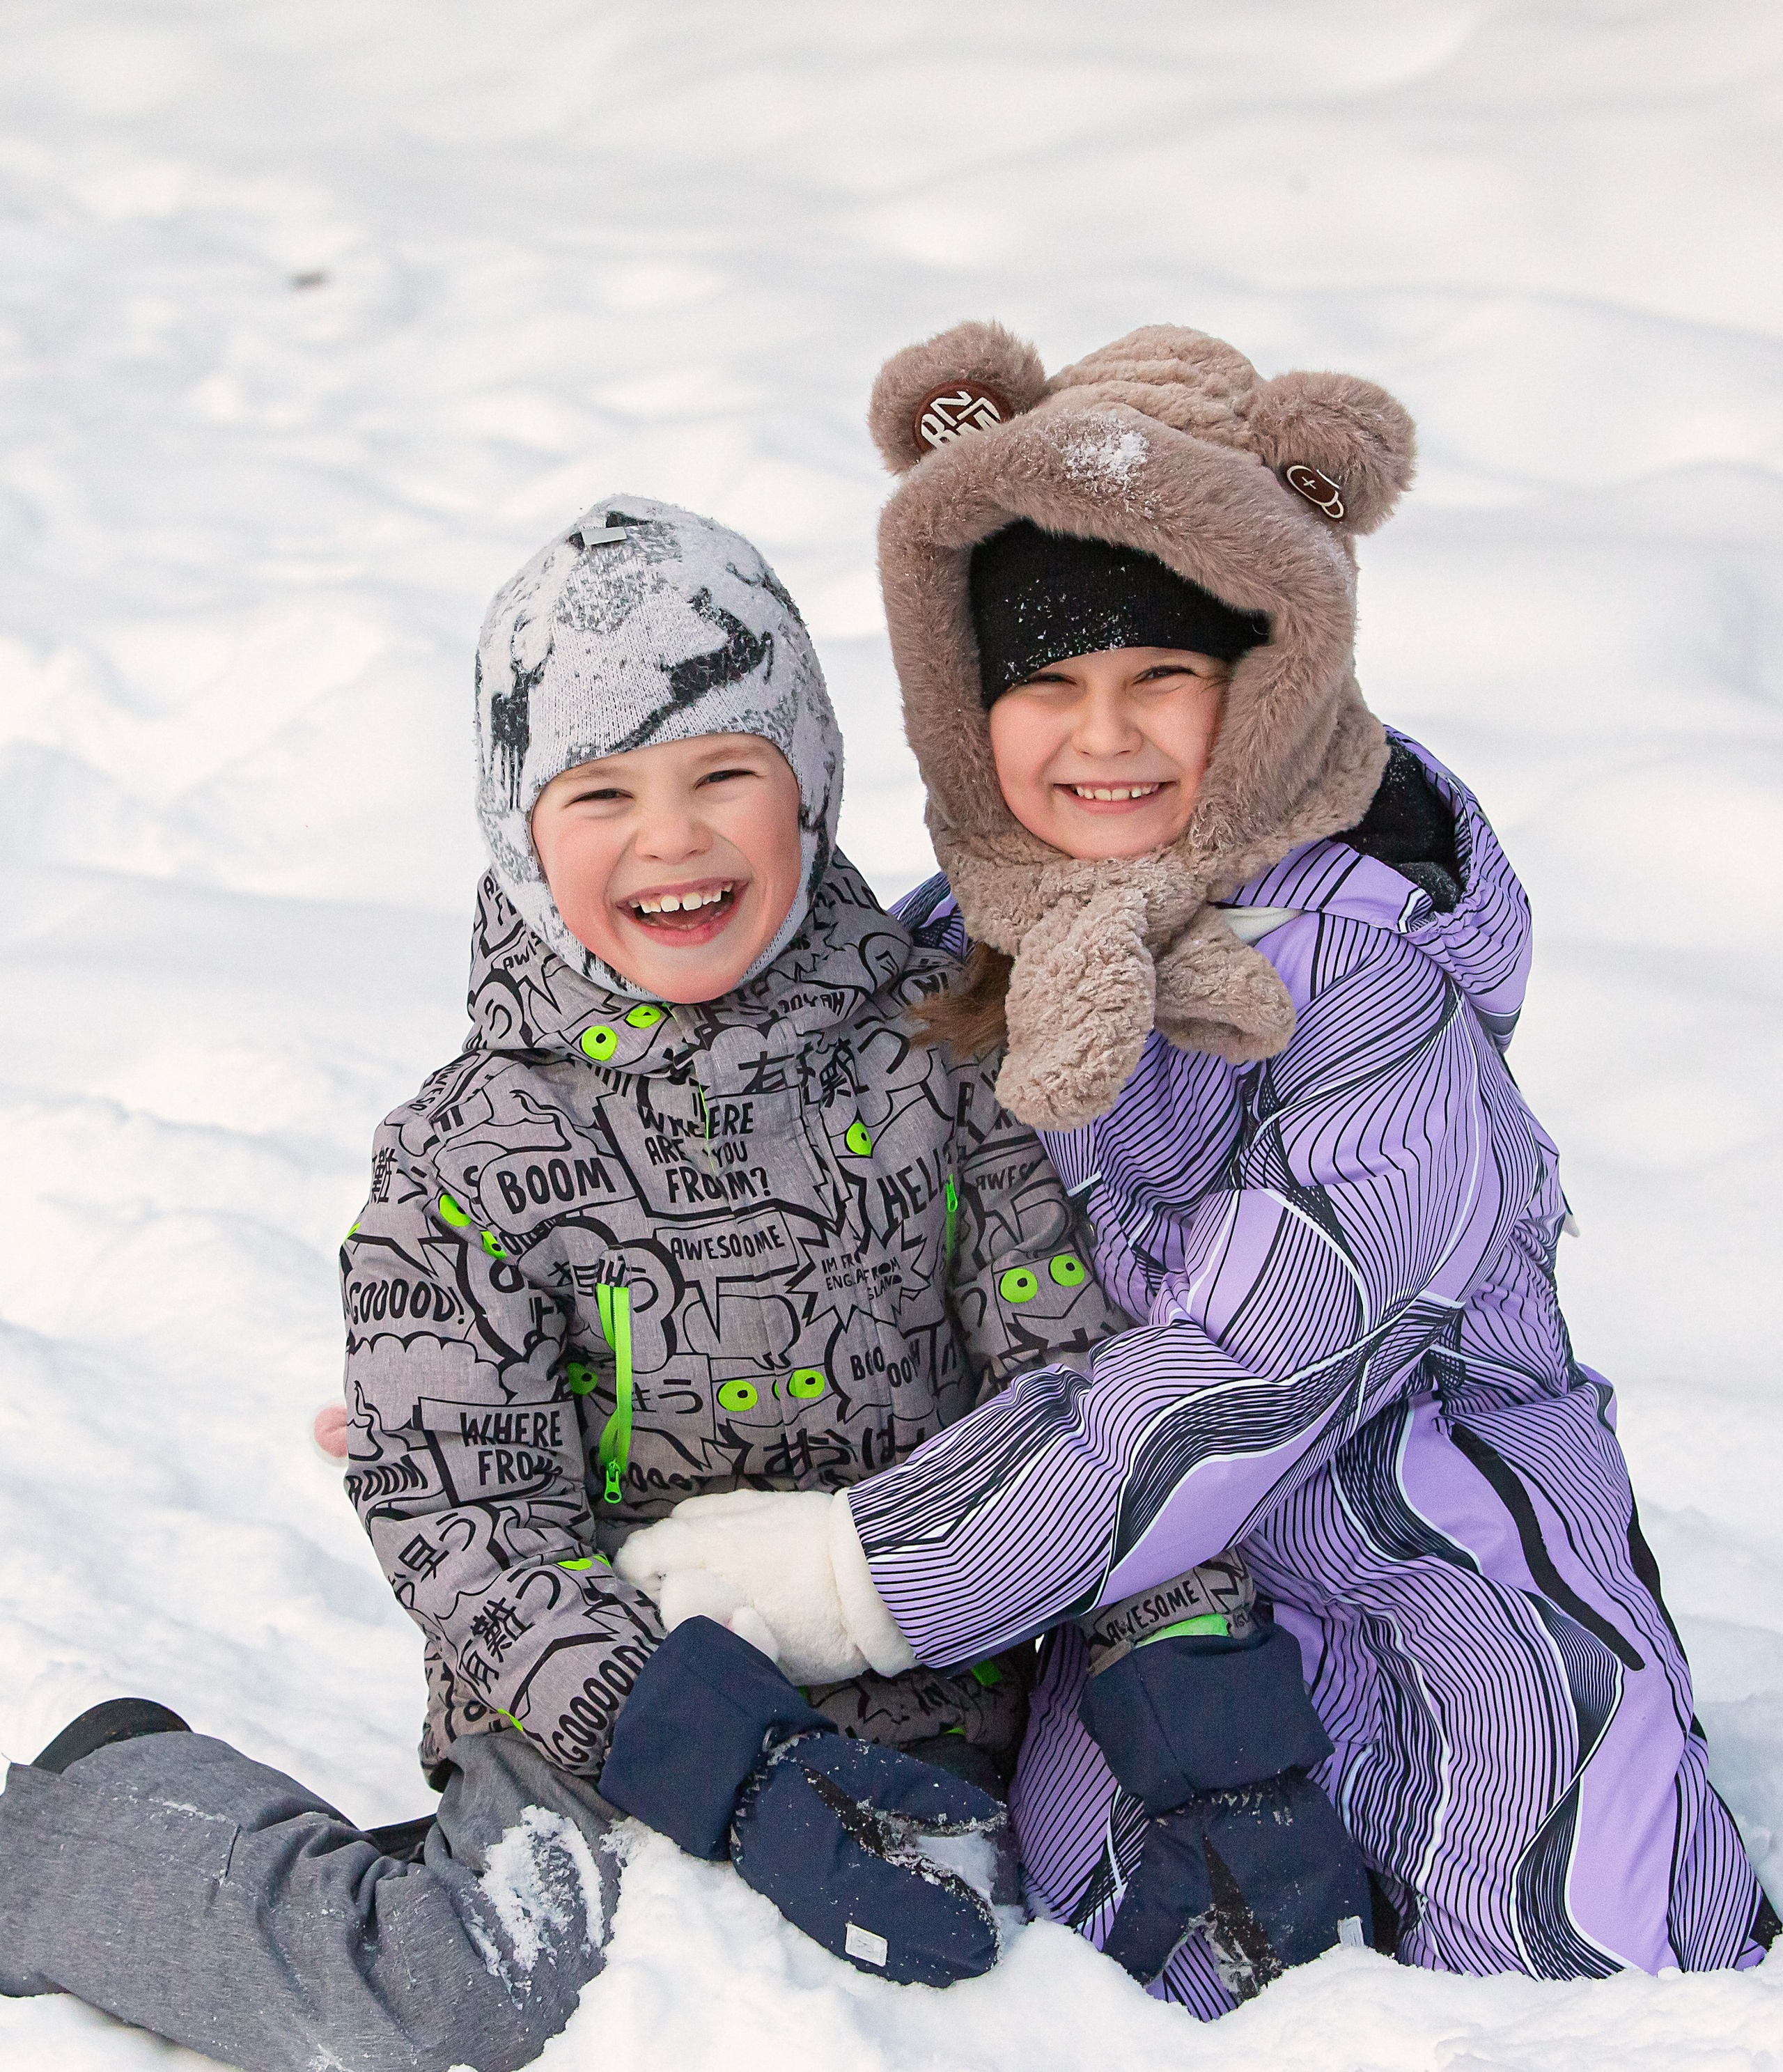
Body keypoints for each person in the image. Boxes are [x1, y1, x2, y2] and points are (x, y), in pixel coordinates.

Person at [616, 325, 1780, 2015]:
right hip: (1130, 1603)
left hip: (1448, 1559)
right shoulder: (958, 956)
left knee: (1572, 1956)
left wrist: (861, 1572)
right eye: (1042, 684)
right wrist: (567, 1362)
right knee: (1121, 1966)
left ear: (1274, 680)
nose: (1103, 738)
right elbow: (803, 1207)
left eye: (1162, 676)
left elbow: (1229, 1378)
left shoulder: (1374, 1005)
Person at [0, 497, 1144, 2071]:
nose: (669, 838)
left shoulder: (942, 1066)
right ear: (518, 833)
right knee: (466, 1996)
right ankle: (94, 1834)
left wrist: (1186, 1668)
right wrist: (710, 1754)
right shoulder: (467, 1157)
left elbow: (1083, 1397)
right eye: (599, 792)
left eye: (721, 775)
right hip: (606, 1723)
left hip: (944, 1695)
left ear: (807, 789)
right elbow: (463, 1521)